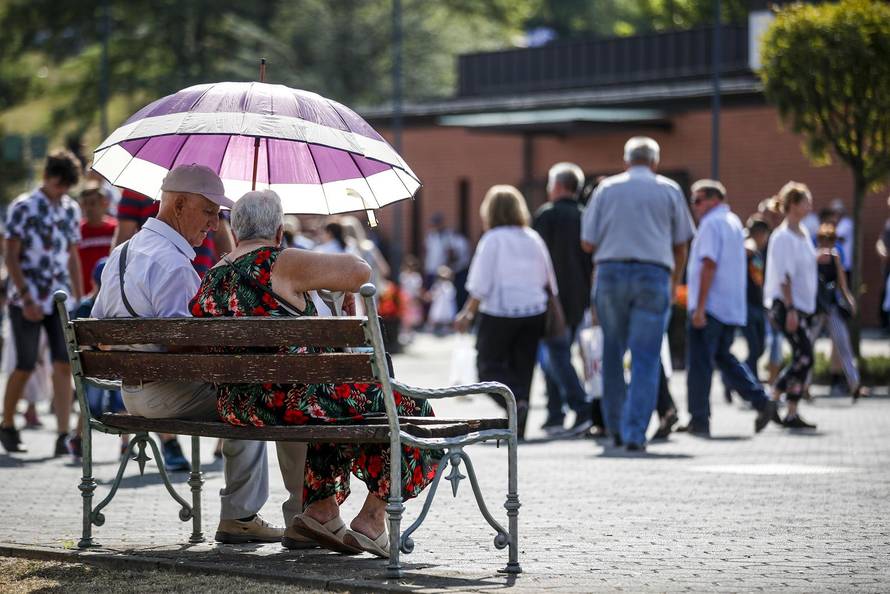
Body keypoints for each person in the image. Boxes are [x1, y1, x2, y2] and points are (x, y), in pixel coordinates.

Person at [188, 189, 440, 557]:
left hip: (237, 406)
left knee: (331, 406)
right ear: (279, 232)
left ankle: (322, 510)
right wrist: (326, 282)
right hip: (290, 401)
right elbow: (361, 271)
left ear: (236, 232)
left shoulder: (213, 276)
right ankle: (372, 519)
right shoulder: (281, 261)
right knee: (412, 408)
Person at [92, 164, 307, 546]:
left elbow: (98, 331)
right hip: (167, 394)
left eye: (218, 214)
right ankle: (253, 515)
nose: (213, 224)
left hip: (130, 393)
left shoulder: (122, 254)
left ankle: (251, 514)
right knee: (260, 396)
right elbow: (187, 347)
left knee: (251, 388)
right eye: (208, 212)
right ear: (178, 205)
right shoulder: (173, 264)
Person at [580, 137, 694, 450]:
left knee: (612, 352)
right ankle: (635, 433)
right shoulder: (669, 189)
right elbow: (681, 244)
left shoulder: (606, 189)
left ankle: (615, 428)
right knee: (646, 356)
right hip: (654, 273)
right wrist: (674, 283)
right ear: (655, 162)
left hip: (611, 272)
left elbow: (587, 242)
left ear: (626, 160)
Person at [455, 185, 557, 440]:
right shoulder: (532, 237)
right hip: (534, 310)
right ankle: (519, 421)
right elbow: (548, 278)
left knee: (487, 367)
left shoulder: (492, 239)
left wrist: (467, 313)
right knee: (524, 368)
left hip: (500, 311)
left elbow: (481, 283)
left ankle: (515, 403)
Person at [0, 151, 84, 456]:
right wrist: (25, 296)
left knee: (63, 364)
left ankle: (62, 433)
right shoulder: (23, 206)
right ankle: (7, 423)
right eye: (59, 184)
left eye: (67, 187)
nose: (62, 191)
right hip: (26, 298)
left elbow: (72, 255)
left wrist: (80, 297)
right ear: (47, 177)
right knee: (24, 363)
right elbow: (10, 255)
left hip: (59, 298)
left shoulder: (71, 209)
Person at [683, 179, 777, 436]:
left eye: (698, 200)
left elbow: (709, 265)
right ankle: (761, 400)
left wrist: (699, 307)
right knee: (724, 358)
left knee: (700, 363)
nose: (695, 206)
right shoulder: (733, 222)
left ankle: (699, 420)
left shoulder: (711, 224)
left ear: (714, 199)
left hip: (710, 307)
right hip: (729, 306)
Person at [533, 162, 594, 436]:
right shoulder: (585, 216)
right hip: (579, 297)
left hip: (552, 298)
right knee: (557, 353)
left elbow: (536, 259)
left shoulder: (546, 216)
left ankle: (580, 407)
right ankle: (555, 412)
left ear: (557, 186)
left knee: (556, 354)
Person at [764, 182, 819, 430]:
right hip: (787, 306)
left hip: (803, 305)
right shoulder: (783, 236)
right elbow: (784, 276)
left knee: (801, 357)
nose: (810, 205)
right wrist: (791, 309)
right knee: (805, 356)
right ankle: (773, 396)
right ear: (794, 205)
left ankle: (791, 412)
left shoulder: (803, 233)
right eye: (806, 201)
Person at [812, 223, 866, 401]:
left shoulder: (835, 257)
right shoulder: (813, 256)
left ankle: (854, 384)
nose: (827, 244)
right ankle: (803, 386)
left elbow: (842, 283)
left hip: (831, 307)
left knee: (843, 344)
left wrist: (850, 300)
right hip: (816, 308)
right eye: (824, 240)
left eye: (830, 240)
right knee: (807, 346)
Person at [724, 215, 770, 402]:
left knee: (760, 348)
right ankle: (752, 387)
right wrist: (748, 242)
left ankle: (732, 380)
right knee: (754, 347)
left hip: (758, 305)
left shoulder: (759, 253)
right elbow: (745, 247)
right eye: (765, 235)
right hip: (746, 306)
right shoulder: (748, 246)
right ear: (759, 234)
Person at [423, 213, 470, 308]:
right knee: (433, 298)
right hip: (432, 271)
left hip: (445, 273)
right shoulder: (430, 236)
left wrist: (446, 269)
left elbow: (452, 255)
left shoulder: (449, 236)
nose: (435, 226)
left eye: (437, 224)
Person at [77, 182, 117, 295]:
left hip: (110, 293)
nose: (88, 208)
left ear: (104, 203)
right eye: (85, 204)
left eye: (93, 203)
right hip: (85, 296)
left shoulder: (116, 229)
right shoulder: (77, 231)